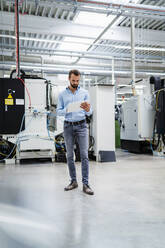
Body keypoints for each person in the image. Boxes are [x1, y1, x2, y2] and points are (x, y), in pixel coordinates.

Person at [56, 69, 94, 195]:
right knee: (69, 156)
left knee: (84, 155)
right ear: (69, 79)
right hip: (68, 126)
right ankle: (73, 181)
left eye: (78, 81)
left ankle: (86, 184)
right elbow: (58, 111)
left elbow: (89, 112)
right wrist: (67, 109)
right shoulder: (62, 94)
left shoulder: (84, 93)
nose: (76, 83)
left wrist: (88, 109)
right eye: (73, 80)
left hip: (82, 125)